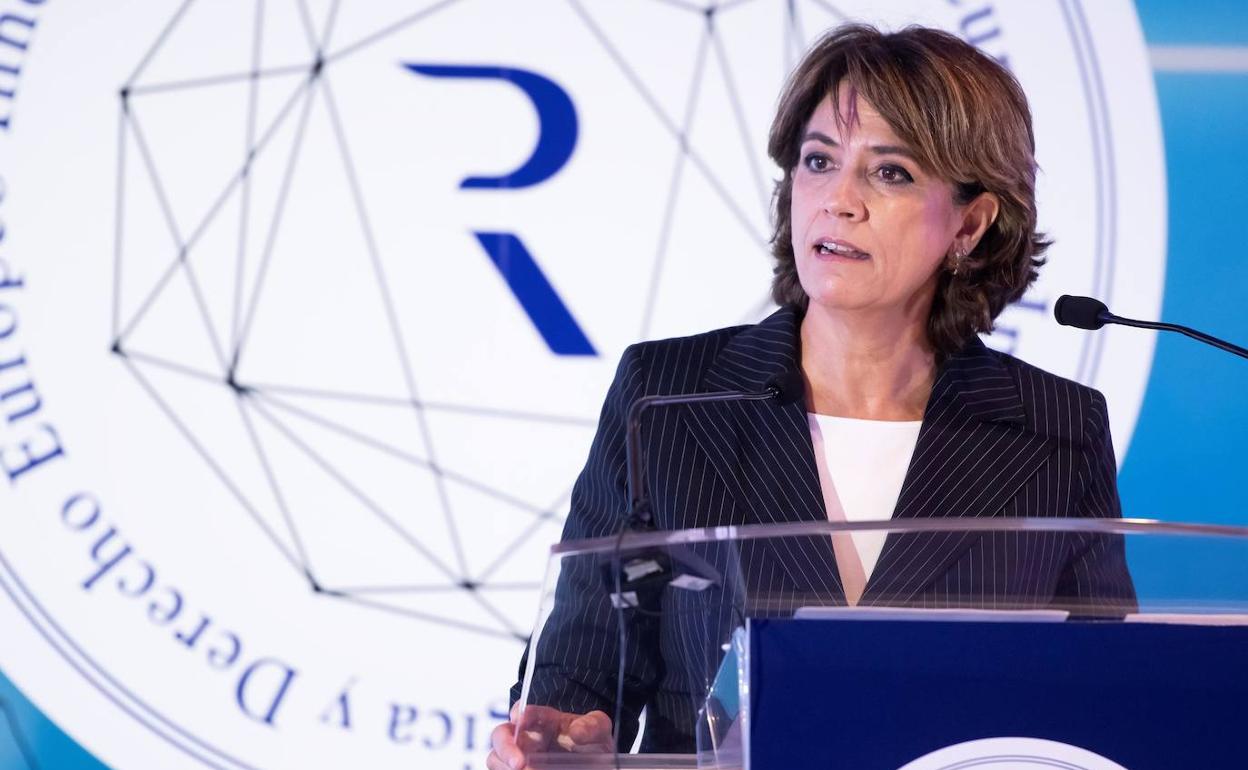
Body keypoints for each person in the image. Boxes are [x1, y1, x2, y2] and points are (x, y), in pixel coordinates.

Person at [487, 23, 1135, 770]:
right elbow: (579, 666)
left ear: (970, 224)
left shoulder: (1054, 430)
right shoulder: (666, 398)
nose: (839, 200)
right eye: (819, 161)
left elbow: (1104, 698)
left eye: (890, 172)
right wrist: (562, 739)